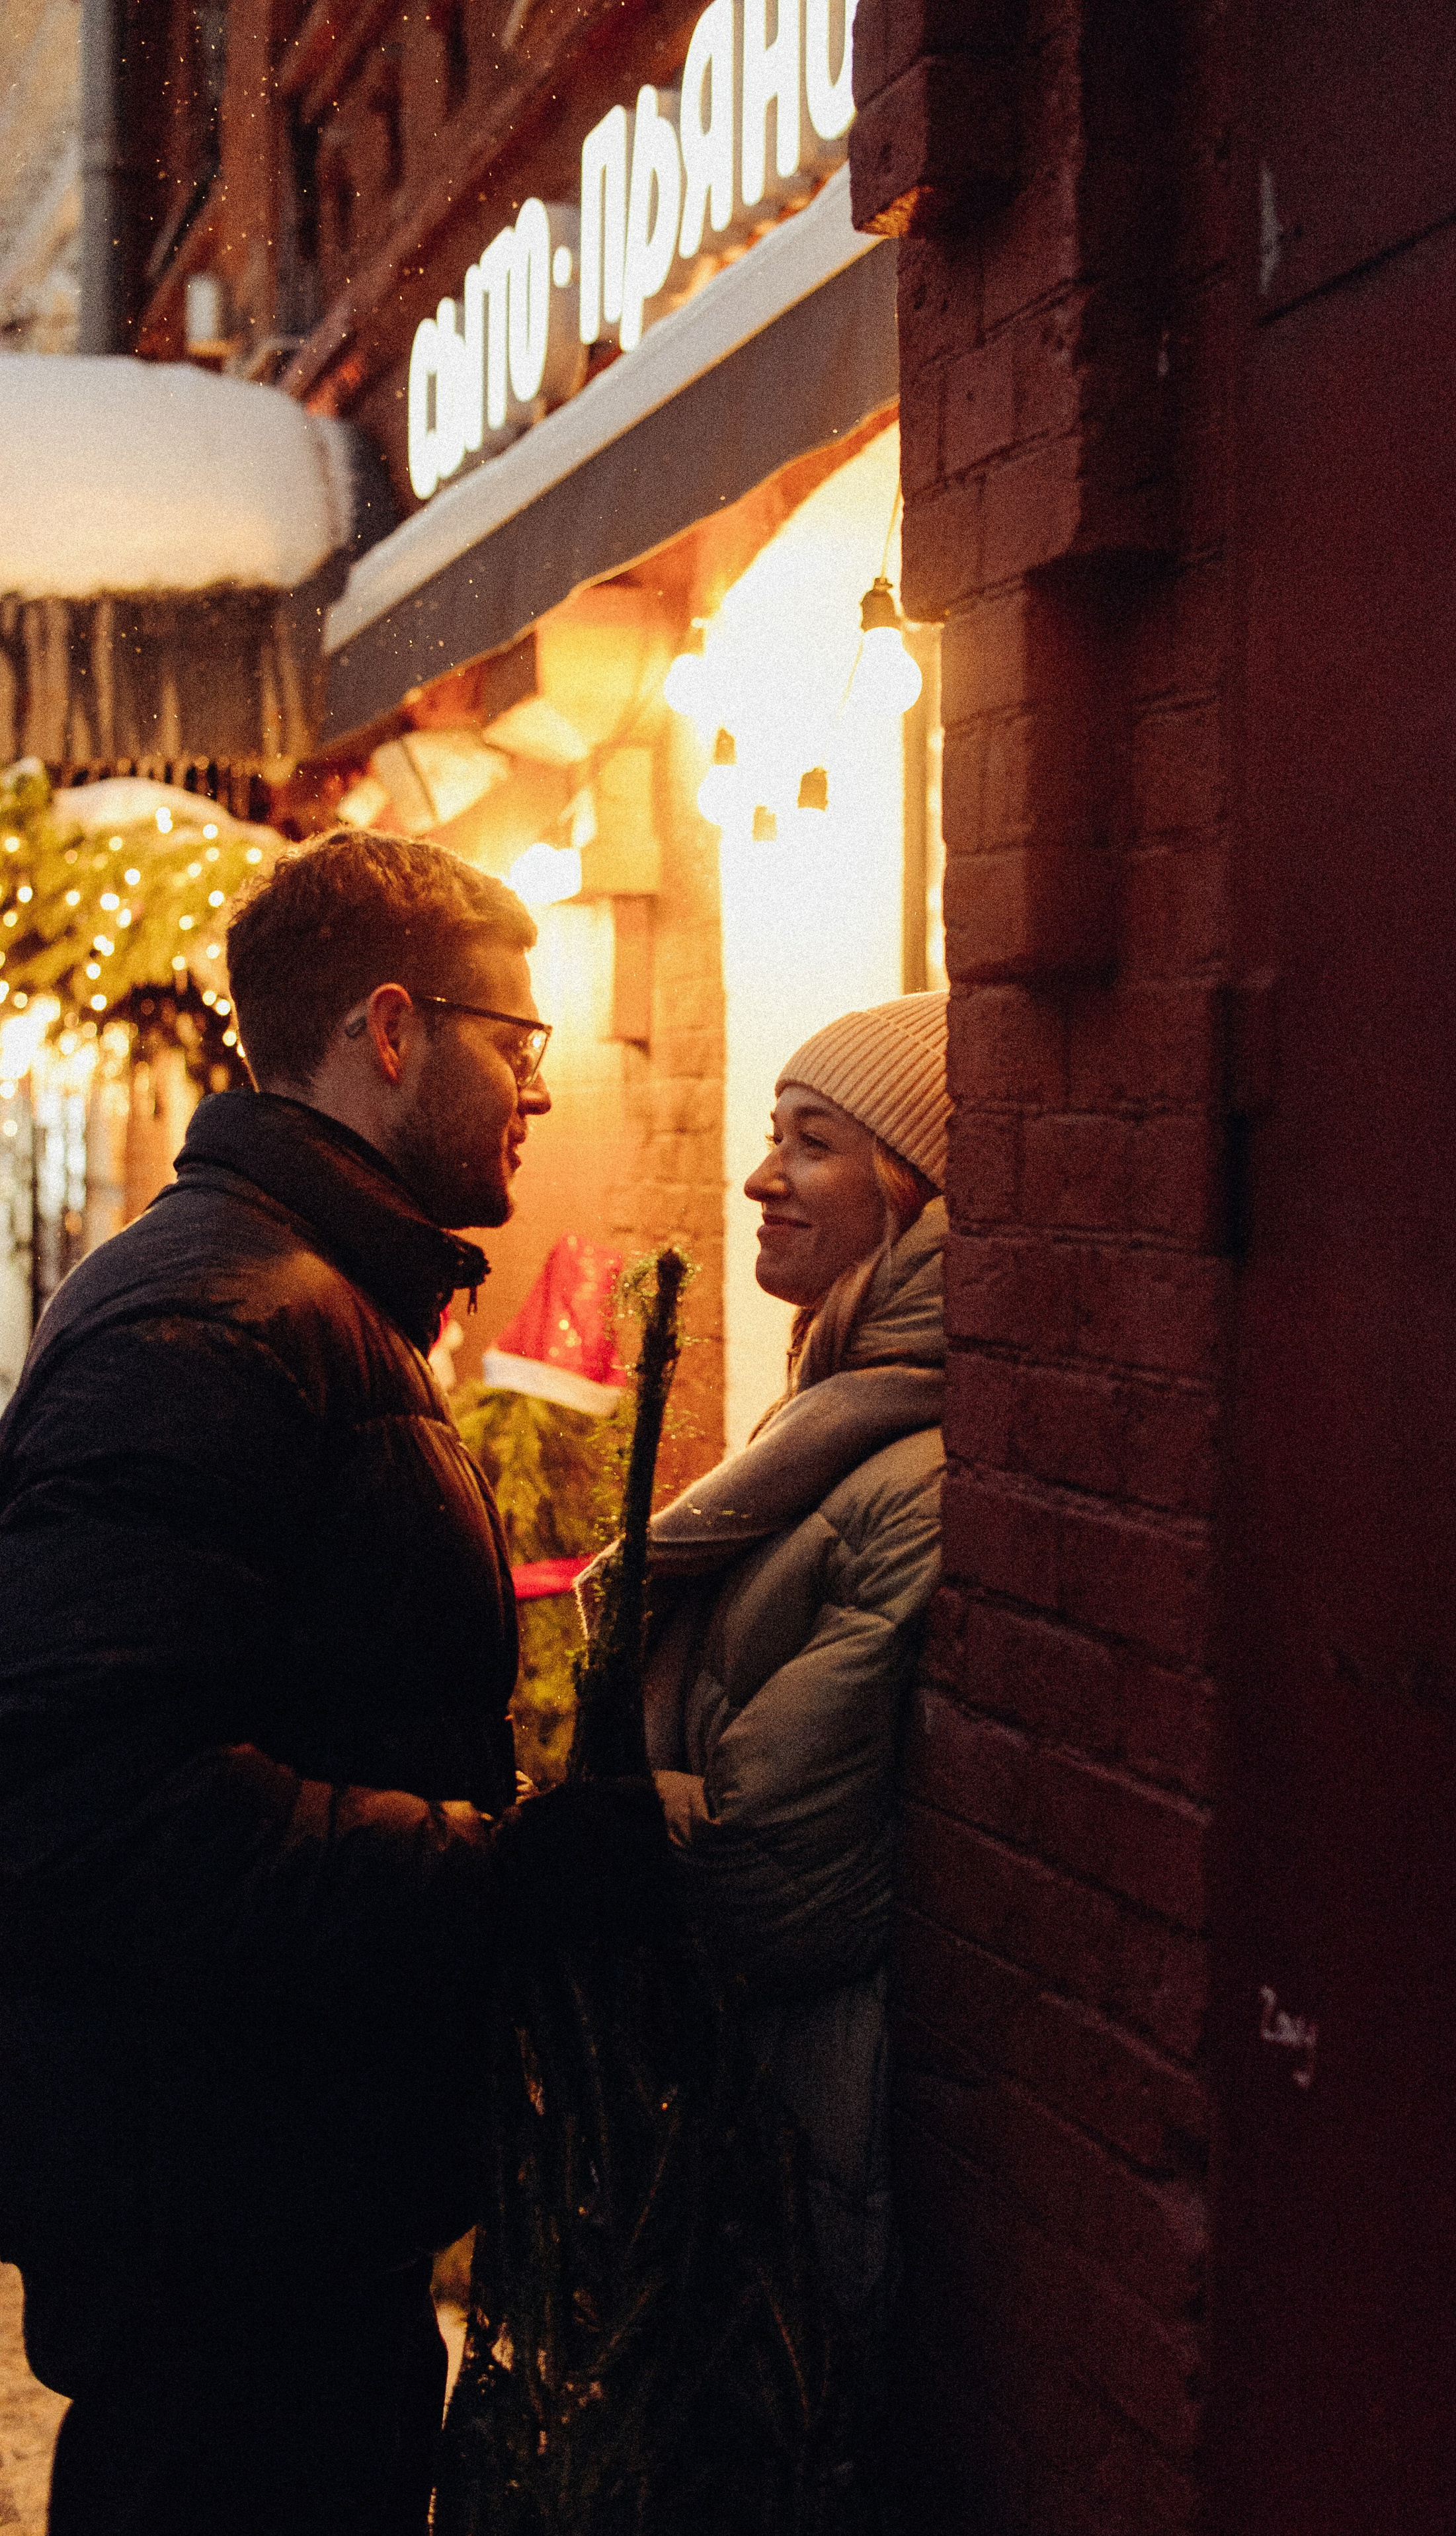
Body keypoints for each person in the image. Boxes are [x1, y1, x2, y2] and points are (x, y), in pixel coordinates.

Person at [0, 829, 666, 2536]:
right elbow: (92, 1807)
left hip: (277, 2202)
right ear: (389, 1028)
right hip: (222, 2225)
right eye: (518, 1042)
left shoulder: (308, 1304)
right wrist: (494, 1872)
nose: (540, 1086)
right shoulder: (221, 1321)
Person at [632, 990, 950, 2350]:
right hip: (758, 2089)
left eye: (810, 1141)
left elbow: (774, 1865)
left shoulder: (910, 1477)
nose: (760, 1175)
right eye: (772, 1132)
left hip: (810, 2115)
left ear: (916, 1193)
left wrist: (585, 1841)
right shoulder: (827, 1422)